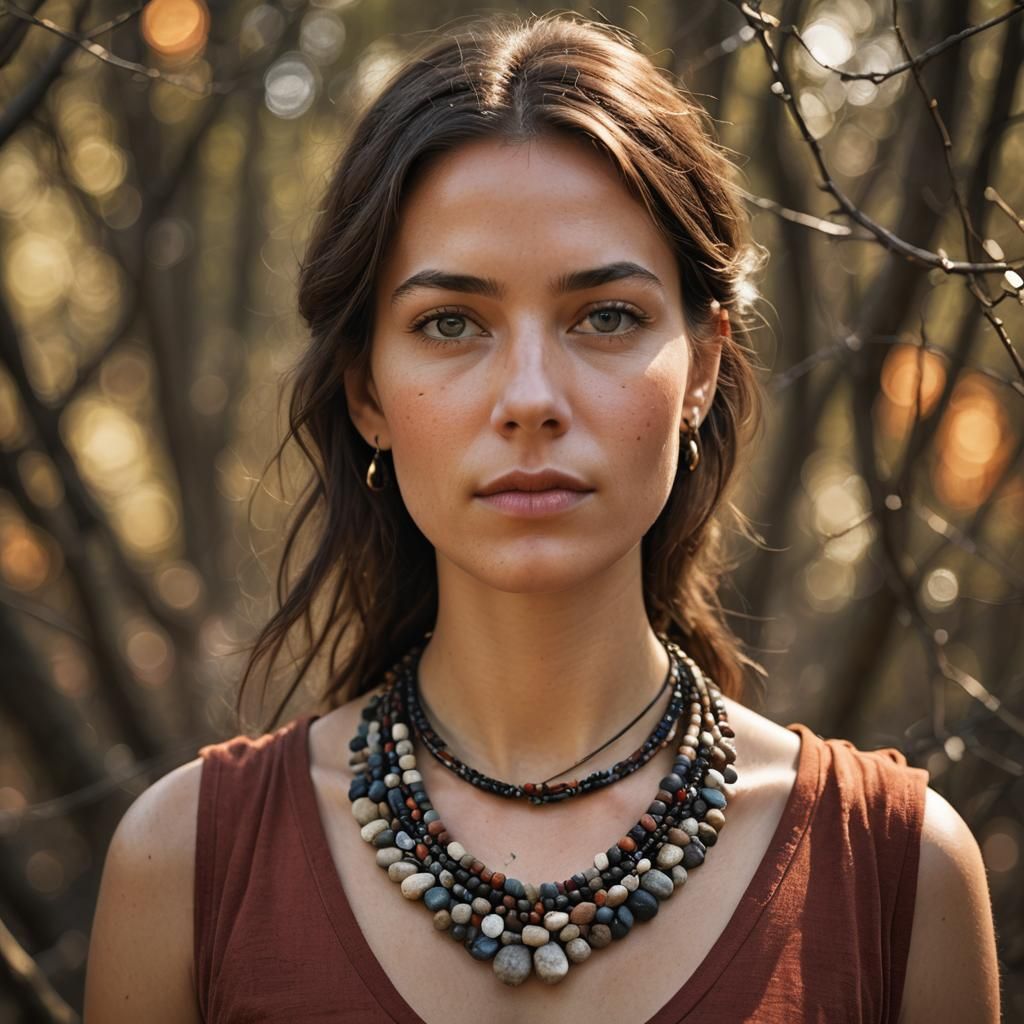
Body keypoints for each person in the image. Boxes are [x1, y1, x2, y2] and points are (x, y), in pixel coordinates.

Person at [83, 11, 1000, 1023]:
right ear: (366, 392)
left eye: (605, 315)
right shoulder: (185, 864)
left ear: (699, 366)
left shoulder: (898, 873)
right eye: (450, 323)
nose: (529, 395)